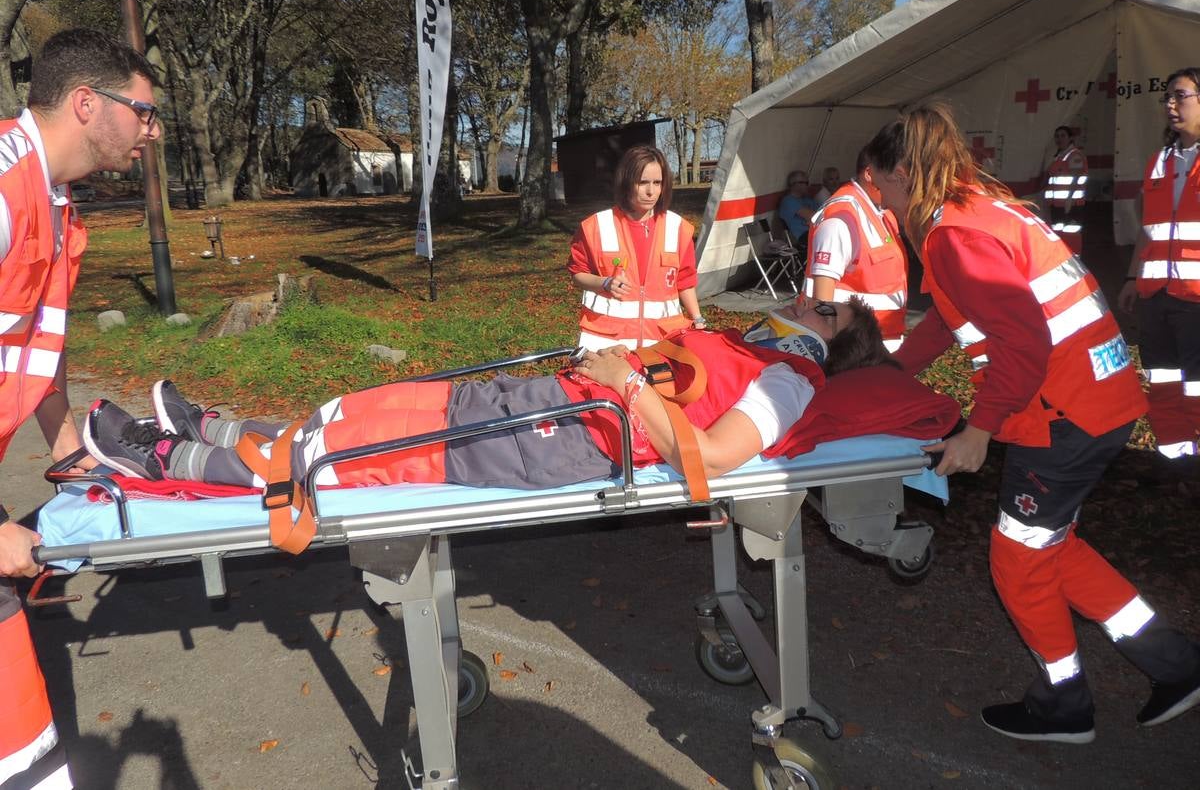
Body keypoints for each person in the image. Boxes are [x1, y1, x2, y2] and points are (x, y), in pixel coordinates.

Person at [871, 103, 1200, 744]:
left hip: (1060, 413)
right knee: (1051, 548)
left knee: (1017, 562)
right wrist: (889, 375)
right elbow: (950, 314)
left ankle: (1064, 704)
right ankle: (1178, 665)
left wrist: (979, 429)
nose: (881, 201)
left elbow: (1023, 338)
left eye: (881, 185)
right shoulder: (984, 207)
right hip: (1098, 401)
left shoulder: (951, 232)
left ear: (905, 173)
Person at [81, 300, 892, 495]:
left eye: (826, 307)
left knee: (350, 460)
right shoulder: (756, 351)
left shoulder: (791, 381)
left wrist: (621, 384)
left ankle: (166, 460)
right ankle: (221, 427)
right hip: (559, 401)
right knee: (368, 411)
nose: (808, 299)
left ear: (828, 339)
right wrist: (615, 364)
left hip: (576, 434)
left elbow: (710, 459)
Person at [0, 29, 159, 789]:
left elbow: (36, 346)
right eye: (143, 112)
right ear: (87, 103)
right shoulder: (1, 194)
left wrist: (67, 448)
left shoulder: (55, 202)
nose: (150, 132)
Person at [1117, 67, 1200, 460]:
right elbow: (1149, 230)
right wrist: (1133, 276)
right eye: (1166, 98)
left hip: (1197, 300)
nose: (1170, 105)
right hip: (1156, 297)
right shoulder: (1159, 161)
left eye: (1180, 96)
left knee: (1197, 387)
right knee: (1163, 382)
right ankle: (1175, 461)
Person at [568, 145, 703, 351]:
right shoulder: (595, 226)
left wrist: (698, 319)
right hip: (608, 344)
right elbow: (578, 273)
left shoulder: (678, 229)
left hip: (662, 342)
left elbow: (685, 281)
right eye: (642, 183)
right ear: (626, 183)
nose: (651, 191)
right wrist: (604, 283)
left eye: (657, 183)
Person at [804, 144, 908, 352]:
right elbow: (822, 298)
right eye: (897, 177)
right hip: (853, 348)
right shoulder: (841, 218)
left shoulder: (882, 212)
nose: (904, 185)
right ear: (871, 174)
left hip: (880, 341)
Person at [1042, 125, 1088, 254]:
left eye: (1063, 136)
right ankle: (1064, 258)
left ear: (1070, 138)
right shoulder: (1058, 157)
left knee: (1071, 234)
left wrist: (1069, 199)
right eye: (1057, 136)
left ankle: (1075, 260)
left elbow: (1076, 176)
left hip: (1071, 205)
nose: (1059, 139)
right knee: (1058, 233)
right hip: (1056, 205)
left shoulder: (1074, 155)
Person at [773, 169, 819, 245]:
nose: (808, 185)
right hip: (801, 236)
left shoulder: (808, 200)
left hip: (815, 231)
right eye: (805, 183)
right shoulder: (788, 201)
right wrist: (813, 219)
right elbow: (814, 216)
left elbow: (822, 214)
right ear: (793, 184)